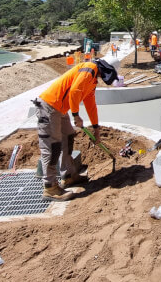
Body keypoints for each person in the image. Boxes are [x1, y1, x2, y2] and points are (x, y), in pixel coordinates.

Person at [34, 58, 118, 201]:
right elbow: (74, 91)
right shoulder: (89, 69)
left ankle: (68, 176)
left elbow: (91, 105)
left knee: (68, 136)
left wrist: (96, 128)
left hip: (60, 109)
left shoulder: (92, 80)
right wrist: (76, 115)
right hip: (49, 106)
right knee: (52, 147)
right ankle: (50, 187)